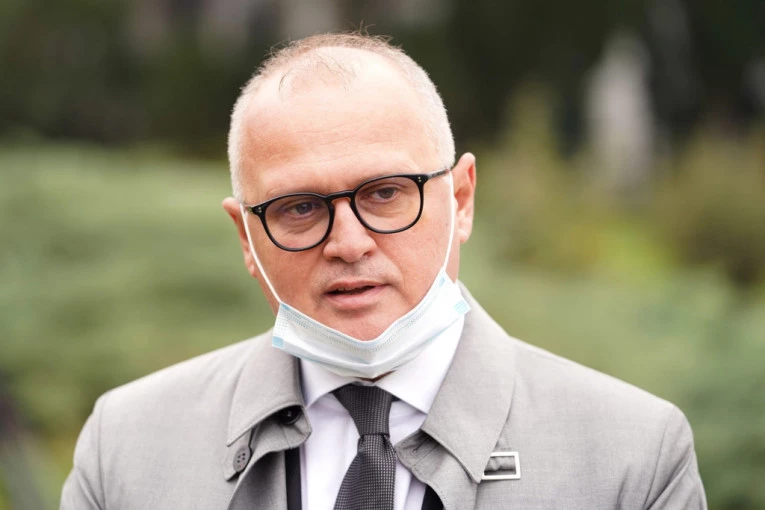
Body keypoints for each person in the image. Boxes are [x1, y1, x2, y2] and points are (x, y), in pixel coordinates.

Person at [61, 33, 706, 509]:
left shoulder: (631, 459)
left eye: (385, 193)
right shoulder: (126, 452)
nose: (348, 243)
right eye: (299, 208)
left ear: (461, 199)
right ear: (245, 237)